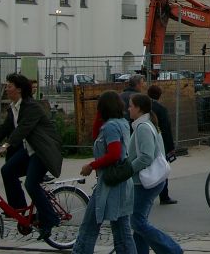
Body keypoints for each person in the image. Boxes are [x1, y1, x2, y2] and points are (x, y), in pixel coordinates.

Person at [0, 73, 63, 240]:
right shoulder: (14, 107)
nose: (6, 89)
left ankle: (50, 219)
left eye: (9, 86)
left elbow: (23, 129)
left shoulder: (32, 107)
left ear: (19, 89)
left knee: (31, 184)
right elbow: (3, 129)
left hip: (42, 151)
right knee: (7, 170)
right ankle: (20, 211)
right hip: (29, 150)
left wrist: (4, 147)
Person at [72, 91, 136, 254]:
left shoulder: (111, 127)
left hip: (109, 184)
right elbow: (96, 135)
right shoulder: (121, 123)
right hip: (118, 183)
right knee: (122, 230)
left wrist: (91, 165)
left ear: (103, 108)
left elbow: (114, 154)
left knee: (89, 227)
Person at [127, 94, 182, 254]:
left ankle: (172, 249)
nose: (128, 108)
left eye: (130, 105)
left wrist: (128, 169)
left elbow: (146, 156)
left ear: (138, 108)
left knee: (137, 222)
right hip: (148, 181)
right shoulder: (145, 124)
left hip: (144, 182)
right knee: (139, 223)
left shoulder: (143, 127)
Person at [147, 84, 176, 205]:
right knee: (162, 169)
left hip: (147, 142)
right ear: (159, 95)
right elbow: (166, 129)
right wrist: (171, 148)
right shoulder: (161, 109)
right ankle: (164, 196)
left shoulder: (144, 108)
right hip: (160, 143)